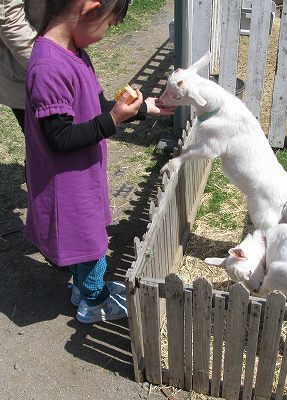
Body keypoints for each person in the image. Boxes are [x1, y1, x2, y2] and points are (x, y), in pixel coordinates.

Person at [24, 0, 175, 324]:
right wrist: (113, 120)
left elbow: (96, 107)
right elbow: (59, 137)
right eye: (109, 24)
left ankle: (84, 287)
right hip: (65, 181)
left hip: (80, 172)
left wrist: (139, 108)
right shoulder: (49, 67)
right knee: (91, 241)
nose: (107, 33)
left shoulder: (73, 53)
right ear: (89, 7)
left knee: (84, 235)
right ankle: (93, 301)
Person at [0, 0, 46, 132]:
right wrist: (49, 66)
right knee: (50, 146)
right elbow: (10, 20)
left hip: (66, 56)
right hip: (27, 69)